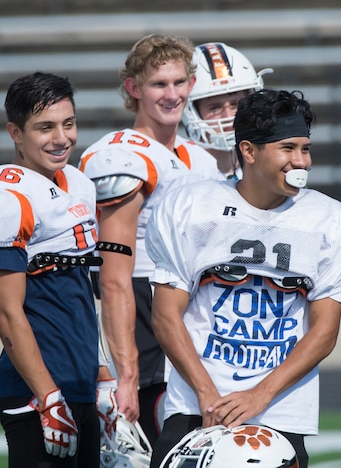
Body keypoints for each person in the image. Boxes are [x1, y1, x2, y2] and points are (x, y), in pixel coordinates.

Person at [144, 88, 341, 468]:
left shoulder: (330, 221)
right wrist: (207, 394)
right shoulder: (192, 207)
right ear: (248, 151)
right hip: (199, 402)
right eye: (288, 148)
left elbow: (324, 331)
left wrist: (259, 396)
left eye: (305, 149)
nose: (301, 162)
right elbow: (166, 316)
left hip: (280, 408)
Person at [0, 72, 107, 467]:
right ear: (15, 133)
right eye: (45, 127)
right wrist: (47, 396)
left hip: (80, 383)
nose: (61, 138)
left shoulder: (78, 183)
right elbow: (6, 309)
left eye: (68, 124)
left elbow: (82, 296)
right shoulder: (1, 196)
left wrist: (102, 371)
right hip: (34, 391)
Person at [79, 33, 224, 445]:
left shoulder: (201, 158)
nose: (172, 94)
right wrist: (126, 370)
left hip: (193, 309)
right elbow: (113, 276)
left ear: (192, 85)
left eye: (179, 82)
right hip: (144, 307)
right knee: (149, 441)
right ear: (134, 88)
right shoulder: (122, 155)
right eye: (159, 84)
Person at [182, 41, 273, 179]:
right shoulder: (181, 173)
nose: (229, 116)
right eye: (214, 107)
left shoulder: (270, 166)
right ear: (192, 111)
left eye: (236, 104)